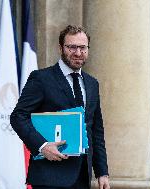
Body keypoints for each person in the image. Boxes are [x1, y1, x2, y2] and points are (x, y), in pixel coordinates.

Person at [10, 25, 110, 189]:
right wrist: (42, 146)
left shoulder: (92, 83)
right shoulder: (41, 78)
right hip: (49, 177)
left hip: (82, 177)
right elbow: (18, 116)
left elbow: (96, 130)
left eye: (82, 47)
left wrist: (102, 172)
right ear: (61, 48)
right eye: (72, 47)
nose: (78, 53)